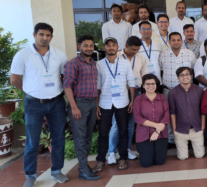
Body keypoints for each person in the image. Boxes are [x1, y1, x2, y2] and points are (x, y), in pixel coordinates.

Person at [10, 23, 69, 186]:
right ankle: (30, 175)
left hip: (56, 102)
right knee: (32, 140)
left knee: (58, 138)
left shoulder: (59, 55)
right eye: (41, 34)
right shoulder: (23, 55)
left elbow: (65, 78)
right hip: (33, 103)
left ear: (51, 37)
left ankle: (57, 170)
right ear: (34, 34)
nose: (44, 38)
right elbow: (14, 80)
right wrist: (31, 91)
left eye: (48, 35)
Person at [95, 37, 136, 171]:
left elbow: (131, 83)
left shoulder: (125, 63)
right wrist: (96, 105)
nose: (111, 47)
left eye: (114, 45)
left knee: (123, 132)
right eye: (108, 45)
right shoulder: (99, 64)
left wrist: (132, 101)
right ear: (104, 48)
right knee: (103, 133)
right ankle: (100, 160)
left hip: (122, 102)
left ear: (118, 47)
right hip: (105, 103)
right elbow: (98, 86)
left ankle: (123, 158)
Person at [107, 36, 149, 164]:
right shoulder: (116, 56)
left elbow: (145, 76)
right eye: (132, 49)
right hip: (119, 93)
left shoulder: (141, 58)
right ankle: (112, 152)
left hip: (135, 93)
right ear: (126, 46)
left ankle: (127, 149)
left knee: (131, 124)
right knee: (116, 124)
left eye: (137, 50)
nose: (135, 52)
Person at [63, 35, 100, 181]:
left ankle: (83, 166)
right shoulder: (73, 63)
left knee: (88, 136)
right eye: (86, 45)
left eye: (91, 45)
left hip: (91, 103)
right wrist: (73, 107)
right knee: (80, 137)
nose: (89, 48)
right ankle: (84, 170)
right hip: (79, 104)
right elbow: (67, 85)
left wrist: (96, 105)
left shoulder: (93, 63)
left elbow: (95, 86)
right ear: (80, 47)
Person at [168, 67, 205, 160]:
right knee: (182, 157)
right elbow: (172, 112)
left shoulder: (199, 90)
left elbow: (203, 111)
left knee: (199, 155)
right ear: (178, 77)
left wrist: (203, 126)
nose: (185, 77)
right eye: (182, 75)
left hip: (196, 128)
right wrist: (174, 129)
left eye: (187, 74)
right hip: (180, 130)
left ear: (191, 76)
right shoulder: (172, 93)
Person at [133, 74, 170, 167]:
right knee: (146, 163)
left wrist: (157, 131)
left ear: (156, 85)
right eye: (147, 84)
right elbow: (138, 117)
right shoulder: (139, 99)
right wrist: (156, 125)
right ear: (143, 85)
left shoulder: (162, 98)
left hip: (160, 133)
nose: (150, 86)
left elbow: (166, 115)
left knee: (160, 161)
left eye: (153, 83)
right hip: (144, 134)